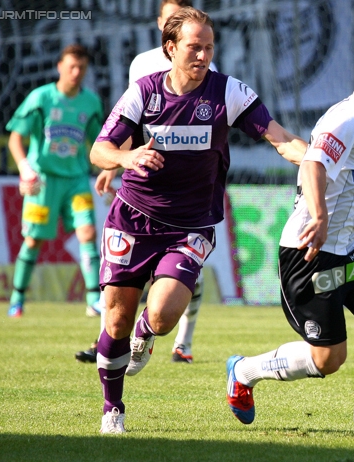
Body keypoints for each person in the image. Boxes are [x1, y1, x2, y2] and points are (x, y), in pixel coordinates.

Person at [91, 7, 307, 434]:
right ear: (170, 48)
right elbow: (99, 150)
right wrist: (126, 156)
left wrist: (319, 158)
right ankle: (112, 407)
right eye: (194, 46)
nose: (203, 55)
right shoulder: (143, 91)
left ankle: (148, 331)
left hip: (190, 224)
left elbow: (279, 138)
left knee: (166, 312)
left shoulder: (228, 92)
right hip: (133, 218)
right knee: (114, 320)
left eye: (209, 47)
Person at [225, 44, 354, 427]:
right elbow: (313, 164)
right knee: (329, 359)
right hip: (310, 253)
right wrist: (321, 215)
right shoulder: (347, 118)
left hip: (350, 249)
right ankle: (244, 371)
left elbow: (345, 185)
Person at [74, 0, 219, 365]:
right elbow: (127, 123)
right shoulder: (143, 67)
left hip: (190, 196)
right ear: (162, 27)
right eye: (171, 19)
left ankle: (182, 340)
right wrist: (118, 162)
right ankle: (111, 337)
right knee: (127, 289)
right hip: (143, 190)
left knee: (180, 282)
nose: (200, 52)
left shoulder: (207, 69)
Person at [5, 44, 104, 318]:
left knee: (88, 233)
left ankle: (94, 300)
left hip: (77, 180)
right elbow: (15, 137)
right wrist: (25, 168)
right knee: (34, 241)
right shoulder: (41, 98)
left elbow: (100, 143)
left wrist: (108, 171)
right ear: (59, 66)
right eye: (71, 66)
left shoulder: (91, 102)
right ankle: (17, 300)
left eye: (81, 67)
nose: (76, 72)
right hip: (44, 181)